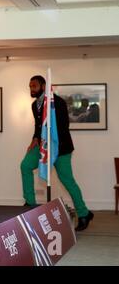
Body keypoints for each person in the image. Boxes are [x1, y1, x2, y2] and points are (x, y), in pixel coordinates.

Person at [21, 75, 94, 231]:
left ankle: (83, 213)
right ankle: (30, 204)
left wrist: (49, 144)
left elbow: (63, 126)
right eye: (30, 86)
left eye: (34, 86)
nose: (31, 89)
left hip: (60, 148)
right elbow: (38, 126)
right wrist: (34, 139)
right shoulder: (35, 105)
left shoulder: (57, 102)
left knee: (67, 180)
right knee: (25, 165)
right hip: (42, 146)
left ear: (42, 86)